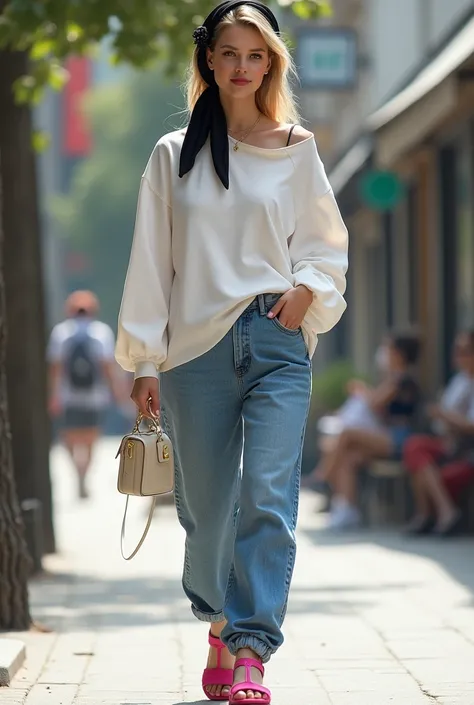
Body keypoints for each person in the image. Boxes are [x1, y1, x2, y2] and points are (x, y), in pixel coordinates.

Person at [115, 2, 348, 702]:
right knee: (206, 510)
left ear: (270, 62)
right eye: (229, 53)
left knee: (269, 495)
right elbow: (152, 265)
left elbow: (324, 246)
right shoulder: (171, 153)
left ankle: (250, 645)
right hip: (194, 351)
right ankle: (218, 616)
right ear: (208, 62)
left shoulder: (296, 146)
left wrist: (307, 289)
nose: (242, 67)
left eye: (256, 54)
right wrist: (145, 361)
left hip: (276, 338)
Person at [323, 333, 421, 530]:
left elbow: (375, 403)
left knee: (347, 434)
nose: (384, 354)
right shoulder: (391, 379)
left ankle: (324, 475)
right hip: (386, 436)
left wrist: (362, 391)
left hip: (399, 439)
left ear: (399, 354)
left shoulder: (401, 380)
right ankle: (347, 509)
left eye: (388, 349)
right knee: (349, 457)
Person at [48, 290, 118, 499]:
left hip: (67, 395)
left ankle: (77, 472)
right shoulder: (101, 332)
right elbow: (107, 367)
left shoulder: (60, 333)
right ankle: (84, 473)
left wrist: (53, 395)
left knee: (69, 436)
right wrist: (116, 392)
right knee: (91, 436)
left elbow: (55, 368)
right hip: (95, 395)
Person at [403, 330, 474, 536]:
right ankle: (439, 513)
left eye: (465, 351)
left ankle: (432, 515)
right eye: (457, 351)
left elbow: (470, 425)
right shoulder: (460, 380)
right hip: (446, 444)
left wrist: (443, 415)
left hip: (465, 450)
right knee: (415, 450)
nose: (459, 356)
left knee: (416, 451)